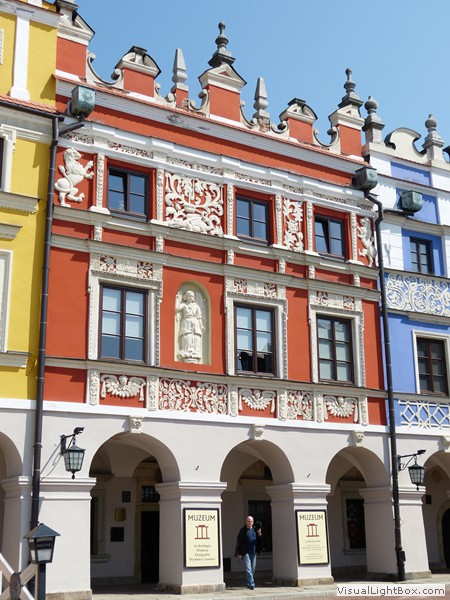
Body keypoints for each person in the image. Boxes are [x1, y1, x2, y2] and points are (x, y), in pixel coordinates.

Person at [235, 515, 263, 590]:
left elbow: (260, 541)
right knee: (248, 568)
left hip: (253, 552)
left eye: (251, 521)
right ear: (246, 522)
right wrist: (239, 553)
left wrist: (259, 534)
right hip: (246, 552)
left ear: (253, 522)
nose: (250, 522)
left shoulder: (255, 529)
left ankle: (248, 582)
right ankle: (252, 583)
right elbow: (239, 542)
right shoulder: (243, 531)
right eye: (249, 521)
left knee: (252, 569)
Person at [176, 290, 204, 362]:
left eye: (192, 296)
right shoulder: (183, 305)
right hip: (187, 321)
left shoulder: (196, 306)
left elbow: (199, 317)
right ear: (186, 297)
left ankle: (195, 352)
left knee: (195, 337)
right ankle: (186, 352)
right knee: (187, 336)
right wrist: (178, 299)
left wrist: (201, 326)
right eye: (189, 296)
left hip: (195, 322)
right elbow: (176, 309)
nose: (191, 297)